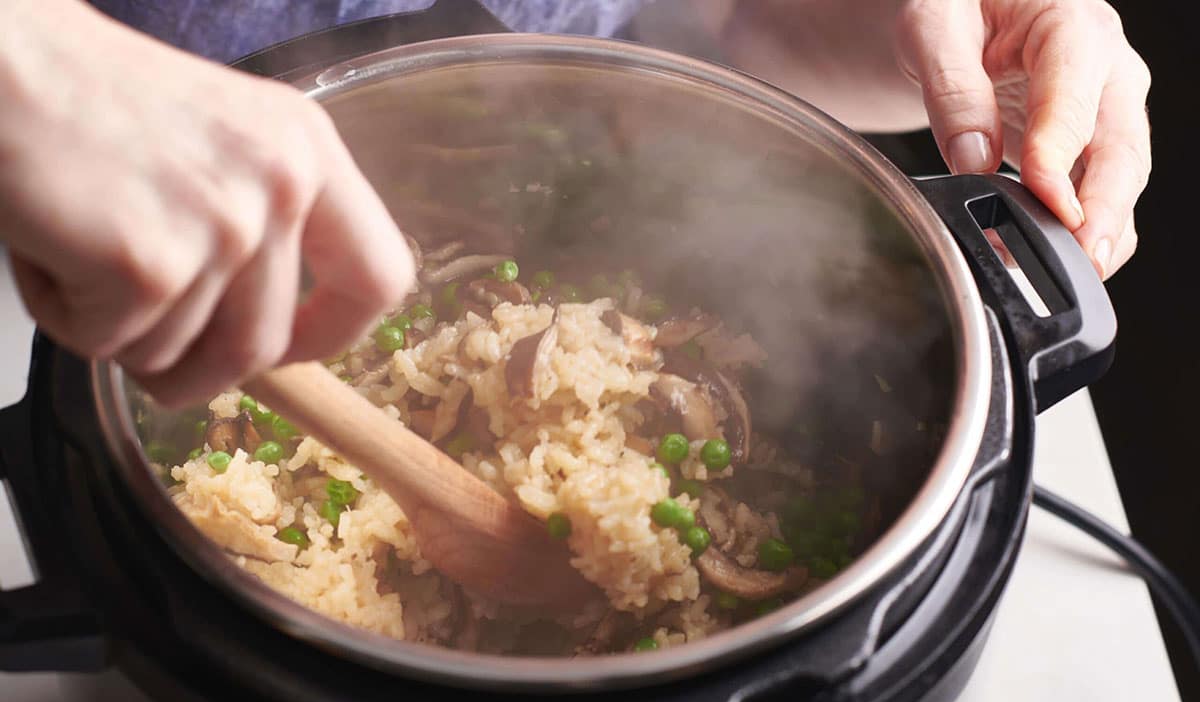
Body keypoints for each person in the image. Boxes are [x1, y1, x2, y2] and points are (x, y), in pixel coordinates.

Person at [0, 0, 1150, 409]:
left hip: (593, 135)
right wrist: (27, 63)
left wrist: (943, 26)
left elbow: (731, 22)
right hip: (65, 269)